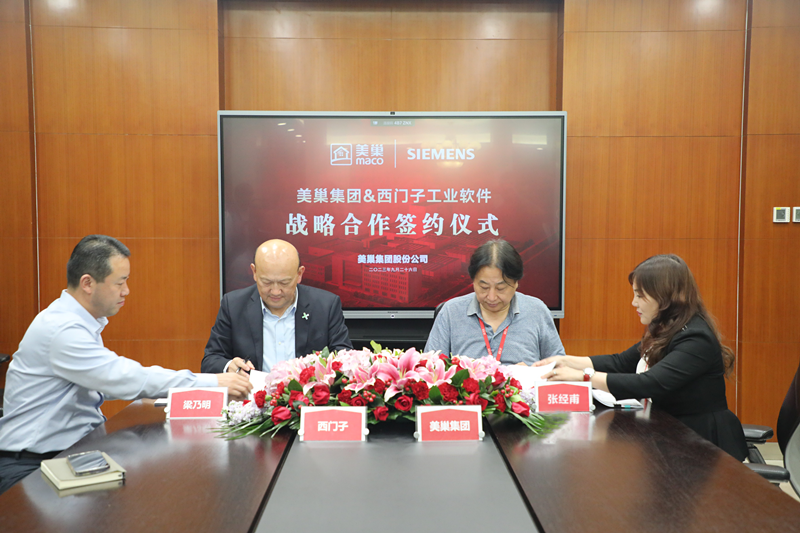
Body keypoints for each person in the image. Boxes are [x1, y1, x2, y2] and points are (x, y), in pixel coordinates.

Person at [0, 235, 252, 495]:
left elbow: (105, 383)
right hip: (32, 466)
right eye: (120, 282)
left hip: (69, 455)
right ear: (87, 283)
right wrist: (213, 382)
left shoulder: (78, 322)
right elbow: (124, 379)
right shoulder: (63, 330)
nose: (126, 291)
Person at [536, 254, 748, 460]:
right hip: (671, 434)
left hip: (703, 442)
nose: (634, 303)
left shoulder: (695, 338)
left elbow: (650, 383)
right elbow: (621, 362)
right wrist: (566, 360)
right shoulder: (666, 328)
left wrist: (584, 376)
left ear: (664, 296)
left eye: (640, 295)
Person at [201, 239, 352, 375]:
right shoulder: (233, 305)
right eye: (266, 282)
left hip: (307, 395)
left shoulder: (326, 306)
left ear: (299, 274)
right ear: (254, 272)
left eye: (284, 283)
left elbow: (345, 358)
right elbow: (211, 360)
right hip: (251, 395)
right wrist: (230, 366)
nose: (275, 292)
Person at [424, 239, 564, 364]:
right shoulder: (451, 312)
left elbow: (558, 368)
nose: (491, 297)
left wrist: (531, 373)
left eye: (500, 288)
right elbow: (430, 368)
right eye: (484, 287)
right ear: (473, 281)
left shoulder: (537, 311)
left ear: (516, 283)